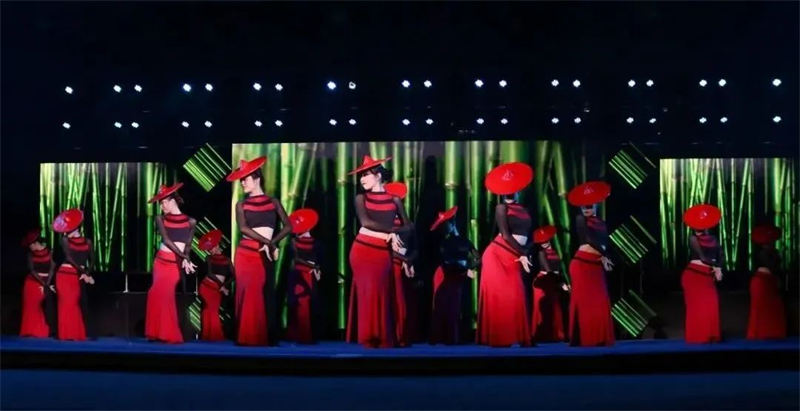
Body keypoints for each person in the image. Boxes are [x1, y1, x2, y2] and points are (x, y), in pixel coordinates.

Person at [346, 155, 410, 348]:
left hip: (383, 252)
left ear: (379, 175)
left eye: (366, 174)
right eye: (361, 176)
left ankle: (381, 337)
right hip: (362, 249)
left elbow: (408, 226)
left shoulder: (395, 199)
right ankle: (368, 337)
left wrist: (396, 233)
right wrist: (391, 231)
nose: (362, 179)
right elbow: (366, 222)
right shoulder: (361, 198)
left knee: (381, 292)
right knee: (368, 292)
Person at [477, 162, 534, 347]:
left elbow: (529, 235)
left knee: (516, 294)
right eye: (506, 191)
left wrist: (527, 251)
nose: (509, 194)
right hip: (499, 254)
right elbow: (506, 234)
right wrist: (523, 252)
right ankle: (501, 338)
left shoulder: (525, 209)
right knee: (504, 295)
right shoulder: (501, 208)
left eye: (512, 190)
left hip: (516, 253)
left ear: (518, 190)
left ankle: (521, 337)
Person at [146, 183, 197, 344]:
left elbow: (188, 245)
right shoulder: (160, 219)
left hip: (175, 265)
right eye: (160, 204)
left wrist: (186, 258)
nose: (162, 207)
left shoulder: (191, 221)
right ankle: (155, 333)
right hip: (161, 262)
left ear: (173, 200)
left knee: (166, 294)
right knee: (155, 293)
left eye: (163, 202)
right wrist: (185, 257)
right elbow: (167, 241)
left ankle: (168, 333)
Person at [566, 181, 615, 347]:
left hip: (596, 264)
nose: (587, 209)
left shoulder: (601, 222)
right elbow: (589, 239)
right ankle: (583, 338)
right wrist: (604, 255)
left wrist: (605, 257)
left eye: (590, 206)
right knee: (584, 302)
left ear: (596, 205)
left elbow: (604, 243)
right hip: (582, 264)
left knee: (599, 300)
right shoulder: (580, 219)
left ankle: (598, 337)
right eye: (584, 207)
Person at [429, 206, 479, 345]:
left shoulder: (463, 241)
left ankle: (452, 337)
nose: (444, 228)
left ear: (452, 224)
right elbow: (446, 261)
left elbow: (478, 258)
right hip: (446, 274)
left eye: (446, 225)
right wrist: (467, 269)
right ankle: (442, 336)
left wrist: (469, 268)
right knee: (443, 305)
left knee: (455, 306)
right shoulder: (445, 242)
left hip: (457, 275)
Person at [681, 204, 724, 344]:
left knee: (711, 304)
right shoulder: (693, 239)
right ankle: (698, 336)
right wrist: (715, 267)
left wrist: (719, 268)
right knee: (697, 307)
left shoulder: (714, 239)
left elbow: (720, 256)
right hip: (693, 275)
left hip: (707, 275)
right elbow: (703, 257)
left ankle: (710, 335)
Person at [53, 208, 95, 341]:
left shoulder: (88, 241)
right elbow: (69, 258)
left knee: (73, 303)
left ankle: (75, 333)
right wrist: (83, 272)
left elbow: (92, 260)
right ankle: (66, 334)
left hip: (76, 275)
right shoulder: (64, 240)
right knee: (66, 304)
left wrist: (87, 272)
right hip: (64, 275)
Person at [384, 182, 417, 346]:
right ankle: (391, 336)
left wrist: (409, 260)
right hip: (389, 264)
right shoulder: (383, 223)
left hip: (403, 265)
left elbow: (415, 247)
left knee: (403, 301)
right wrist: (404, 259)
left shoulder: (407, 224)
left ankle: (402, 335)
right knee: (391, 300)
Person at [286, 208, 321, 344]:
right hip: (300, 274)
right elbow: (297, 259)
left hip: (308, 274)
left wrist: (316, 268)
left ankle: (306, 335)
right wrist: (313, 266)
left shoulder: (313, 242)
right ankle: (303, 335)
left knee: (307, 304)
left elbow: (316, 258)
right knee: (301, 303)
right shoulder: (296, 242)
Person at [747, 224, 786, 340]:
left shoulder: (771, 252)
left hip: (767, 280)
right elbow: (771, 266)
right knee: (762, 307)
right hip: (762, 281)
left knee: (772, 307)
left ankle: (769, 332)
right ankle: (762, 332)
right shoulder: (763, 253)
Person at [531, 225, 568, 343]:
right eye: (542, 242)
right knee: (545, 308)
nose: (545, 243)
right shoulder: (541, 253)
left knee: (555, 306)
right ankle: (543, 334)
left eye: (546, 240)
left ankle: (556, 334)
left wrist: (563, 281)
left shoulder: (556, 251)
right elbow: (548, 270)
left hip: (554, 279)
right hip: (544, 281)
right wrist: (561, 283)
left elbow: (559, 268)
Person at [20, 228, 56, 338]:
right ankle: (29, 331)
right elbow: (32, 270)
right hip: (32, 282)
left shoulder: (49, 252)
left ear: (35, 243)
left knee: (46, 307)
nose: (30, 247)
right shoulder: (30, 255)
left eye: (30, 245)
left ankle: (42, 330)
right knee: (31, 307)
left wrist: (47, 282)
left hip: (46, 282)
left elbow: (52, 268)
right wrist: (44, 283)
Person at [197, 229, 233, 341]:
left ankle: (208, 334)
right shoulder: (209, 258)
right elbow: (210, 273)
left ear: (217, 246)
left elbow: (234, 275)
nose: (210, 250)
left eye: (211, 248)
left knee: (210, 309)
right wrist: (222, 286)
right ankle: (214, 335)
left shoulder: (227, 260)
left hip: (217, 289)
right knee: (211, 309)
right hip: (207, 286)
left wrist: (224, 286)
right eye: (209, 249)